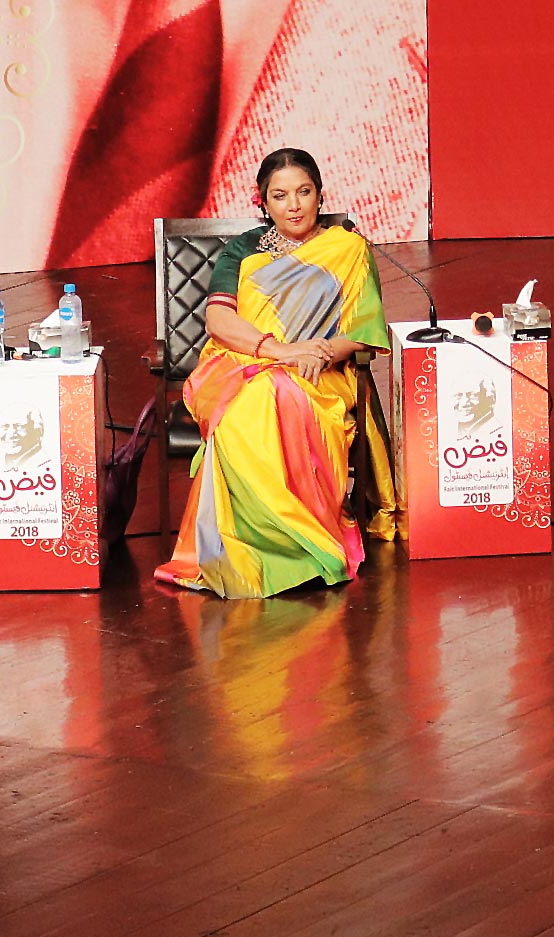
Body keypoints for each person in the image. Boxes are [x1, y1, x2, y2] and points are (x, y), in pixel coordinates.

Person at [155, 148, 395, 599]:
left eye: (304, 192)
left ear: (320, 195)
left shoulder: (347, 248)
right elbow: (220, 322)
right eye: (280, 196)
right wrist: (281, 351)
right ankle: (245, 546)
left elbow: (364, 331)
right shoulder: (242, 250)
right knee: (256, 400)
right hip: (242, 364)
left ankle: (296, 544)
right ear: (262, 202)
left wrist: (320, 353)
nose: (294, 205)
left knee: (280, 395)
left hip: (320, 373)